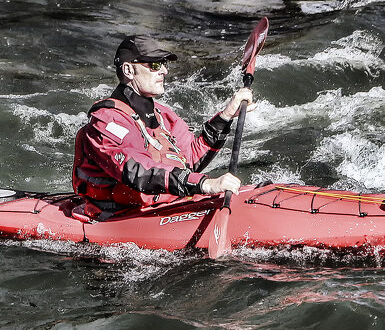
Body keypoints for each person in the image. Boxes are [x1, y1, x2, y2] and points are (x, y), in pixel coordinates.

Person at [71, 35, 254, 220]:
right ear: (128, 70)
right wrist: (205, 184)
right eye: (155, 65)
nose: (165, 71)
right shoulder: (107, 120)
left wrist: (226, 116)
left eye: (164, 64)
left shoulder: (163, 114)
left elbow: (189, 160)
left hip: (164, 205)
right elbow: (139, 171)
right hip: (120, 216)